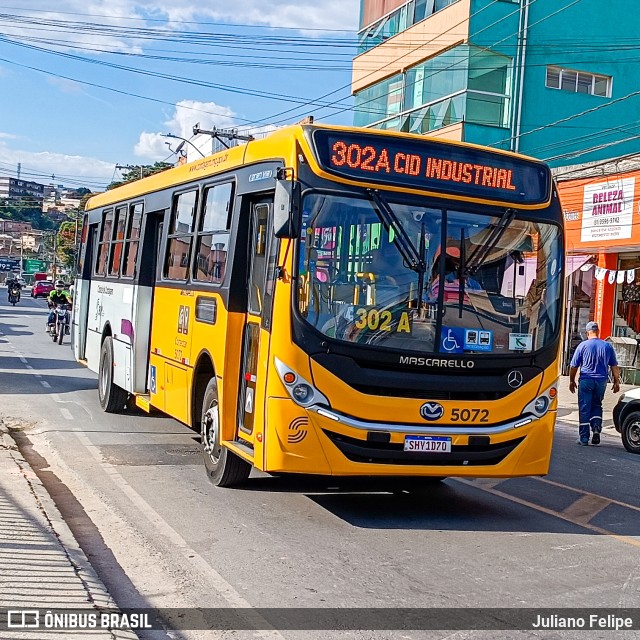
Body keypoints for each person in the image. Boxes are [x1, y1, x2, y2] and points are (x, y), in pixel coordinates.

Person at [569, 321, 620, 446]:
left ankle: (584, 438)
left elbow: (573, 366)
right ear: (598, 331)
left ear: (587, 333)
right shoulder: (607, 346)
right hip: (601, 381)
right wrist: (616, 381)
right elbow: (614, 366)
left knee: (585, 408)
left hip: (586, 380)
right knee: (597, 405)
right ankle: (596, 428)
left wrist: (571, 380)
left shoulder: (583, 345)